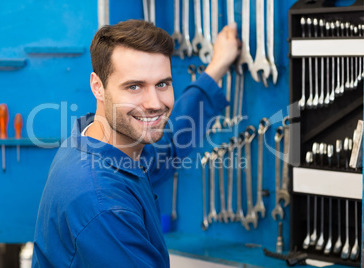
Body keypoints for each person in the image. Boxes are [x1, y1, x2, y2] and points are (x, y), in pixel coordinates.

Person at [32, 19, 239, 267]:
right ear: (98, 87)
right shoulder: (104, 206)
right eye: (134, 86)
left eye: (162, 84)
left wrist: (216, 68)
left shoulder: (99, 141)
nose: (154, 103)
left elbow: (170, 144)